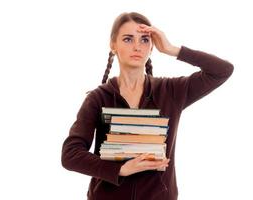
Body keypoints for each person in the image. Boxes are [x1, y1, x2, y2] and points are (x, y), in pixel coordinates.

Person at [61, 12, 234, 200]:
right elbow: (70, 154)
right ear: (113, 45)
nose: (137, 46)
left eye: (144, 40)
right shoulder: (97, 98)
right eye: (128, 39)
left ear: (151, 46)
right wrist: (120, 169)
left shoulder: (171, 91)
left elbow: (222, 70)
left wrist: (172, 49)